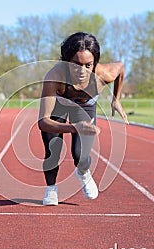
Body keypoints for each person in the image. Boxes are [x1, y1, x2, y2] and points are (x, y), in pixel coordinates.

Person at [38, 32, 128, 206]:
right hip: (59, 103)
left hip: (85, 105)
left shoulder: (104, 74)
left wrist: (116, 99)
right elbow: (43, 121)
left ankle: (83, 172)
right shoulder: (55, 76)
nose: (82, 71)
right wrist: (74, 127)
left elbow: (121, 67)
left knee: (80, 155)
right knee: (52, 151)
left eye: (88, 65)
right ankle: (51, 189)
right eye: (76, 65)